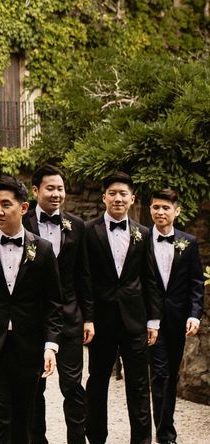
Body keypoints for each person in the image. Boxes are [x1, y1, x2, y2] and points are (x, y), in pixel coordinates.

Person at [0, 176, 63, 444]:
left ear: (23, 208)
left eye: (5, 204)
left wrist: (51, 345)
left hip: (28, 348)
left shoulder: (43, 250)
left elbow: (54, 303)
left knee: (24, 421)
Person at [85, 171, 162, 444]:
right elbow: (84, 278)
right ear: (104, 197)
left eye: (123, 194)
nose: (118, 198)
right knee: (97, 383)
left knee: (139, 386)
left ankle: (141, 441)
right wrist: (88, 318)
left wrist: (153, 320)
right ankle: (96, 438)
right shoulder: (88, 231)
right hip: (101, 322)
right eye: (113, 193)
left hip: (134, 320)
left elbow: (150, 278)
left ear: (132, 199)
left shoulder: (143, 233)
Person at [22, 165, 93, 444]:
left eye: (60, 188)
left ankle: (77, 440)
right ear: (36, 190)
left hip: (70, 318)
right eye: (50, 188)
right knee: (34, 387)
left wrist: (88, 317)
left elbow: (83, 275)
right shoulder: (22, 223)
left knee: (73, 386)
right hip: (33, 319)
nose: (56, 194)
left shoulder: (77, 226)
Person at [148, 189, 204, 444]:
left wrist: (194, 315)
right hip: (150, 322)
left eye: (165, 208)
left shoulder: (189, 243)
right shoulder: (141, 239)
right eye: (156, 207)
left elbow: (196, 283)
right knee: (159, 374)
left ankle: (163, 426)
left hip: (178, 321)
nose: (160, 212)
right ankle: (165, 434)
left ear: (176, 211)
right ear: (150, 209)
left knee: (170, 374)